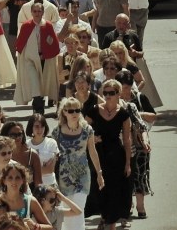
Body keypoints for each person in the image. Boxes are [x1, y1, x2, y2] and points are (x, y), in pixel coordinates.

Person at [84, 80, 131, 230]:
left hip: (116, 154)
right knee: (100, 189)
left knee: (115, 188)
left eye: (112, 93)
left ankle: (111, 222)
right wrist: (92, 138)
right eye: (105, 93)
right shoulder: (94, 110)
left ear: (118, 94)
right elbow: (83, 129)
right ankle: (104, 217)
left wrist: (128, 163)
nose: (108, 96)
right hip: (98, 154)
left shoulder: (123, 114)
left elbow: (127, 140)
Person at [51, 97, 104, 230]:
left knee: (79, 210)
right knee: (67, 211)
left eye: (77, 110)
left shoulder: (87, 130)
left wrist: (99, 173)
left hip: (82, 175)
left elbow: (93, 151)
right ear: (64, 112)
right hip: (64, 177)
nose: (74, 113)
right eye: (71, 111)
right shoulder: (57, 132)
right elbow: (54, 156)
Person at [116, 71, 155, 221]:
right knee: (126, 176)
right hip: (122, 146)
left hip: (139, 144)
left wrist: (144, 140)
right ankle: (128, 204)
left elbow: (147, 122)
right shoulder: (112, 102)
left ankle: (140, 205)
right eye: (122, 87)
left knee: (140, 174)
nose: (124, 90)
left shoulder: (137, 100)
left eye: (127, 87)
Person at [14, 2, 60, 115]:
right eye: (35, 11)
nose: (37, 13)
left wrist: (47, 53)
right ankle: (39, 110)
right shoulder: (26, 26)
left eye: (39, 11)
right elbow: (20, 44)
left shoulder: (48, 25)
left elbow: (54, 43)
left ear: (43, 12)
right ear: (31, 12)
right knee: (35, 83)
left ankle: (37, 106)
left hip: (44, 59)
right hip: (30, 60)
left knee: (42, 84)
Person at [0, 163, 52, 229]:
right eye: (10, 178)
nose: (14, 181)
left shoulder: (31, 201)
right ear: (4, 181)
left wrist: (35, 226)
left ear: (23, 180)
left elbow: (50, 227)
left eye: (17, 178)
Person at [0, 122, 42, 189]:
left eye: (19, 134)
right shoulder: (0, 154)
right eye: (13, 135)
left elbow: (38, 183)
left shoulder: (32, 155)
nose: (17, 137)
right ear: (5, 136)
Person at [26, 114, 59, 187]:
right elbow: (24, 170)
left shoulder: (51, 143)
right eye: (37, 126)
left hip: (49, 185)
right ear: (31, 127)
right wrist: (43, 168)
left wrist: (32, 170)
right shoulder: (26, 145)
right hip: (32, 186)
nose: (40, 129)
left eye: (42, 126)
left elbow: (50, 170)